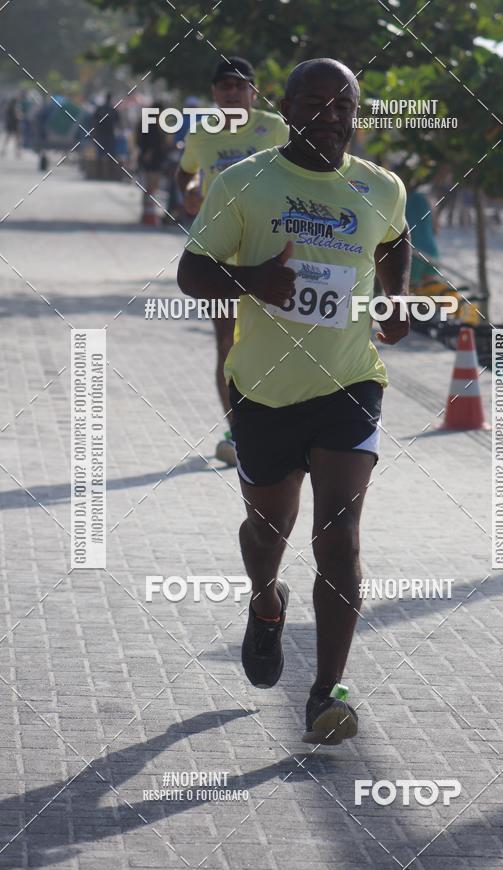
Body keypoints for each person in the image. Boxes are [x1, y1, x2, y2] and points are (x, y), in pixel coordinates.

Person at [177, 58, 411, 745]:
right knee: (267, 531)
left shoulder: (379, 187)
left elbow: (396, 242)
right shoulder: (242, 182)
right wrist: (253, 279)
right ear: (286, 109)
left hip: (350, 382)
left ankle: (325, 694)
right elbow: (192, 272)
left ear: (355, 115)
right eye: (314, 103)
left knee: (338, 538)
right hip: (263, 389)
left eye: (343, 106)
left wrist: (395, 297)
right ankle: (265, 598)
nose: (330, 117)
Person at [175, 57, 289, 467]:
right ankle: (238, 431)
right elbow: (185, 173)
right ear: (214, 94)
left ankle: (281, 422)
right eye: (224, 86)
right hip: (220, 257)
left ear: (253, 93)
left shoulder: (276, 128)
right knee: (227, 342)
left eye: (240, 86)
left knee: (281, 340)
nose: (232, 92)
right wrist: (189, 191)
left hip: (270, 250)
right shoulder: (201, 135)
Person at [137, 100, 169, 225]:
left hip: (155, 159)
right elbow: (147, 141)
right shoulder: (150, 124)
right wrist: (148, 152)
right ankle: (148, 214)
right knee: (150, 187)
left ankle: (148, 213)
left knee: (151, 188)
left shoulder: (154, 123)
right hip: (151, 159)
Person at [92, 92, 120, 179]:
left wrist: (94, 133)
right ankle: (111, 175)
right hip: (110, 135)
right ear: (110, 99)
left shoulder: (100, 109)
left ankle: (99, 175)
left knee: (100, 155)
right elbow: (118, 122)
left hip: (101, 134)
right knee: (111, 156)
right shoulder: (113, 109)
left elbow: (94, 121)